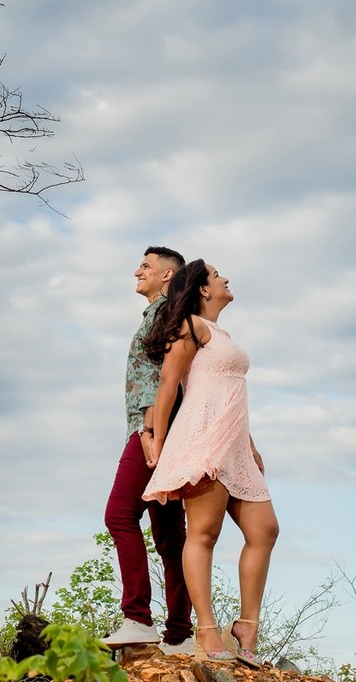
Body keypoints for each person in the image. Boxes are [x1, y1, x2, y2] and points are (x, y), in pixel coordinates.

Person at [141, 260, 278, 666]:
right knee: (205, 533)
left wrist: (250, 443)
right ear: (202, 289)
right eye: (218, 275)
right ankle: (206, 629)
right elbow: (169, 383)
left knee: (265, 530)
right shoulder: (192, 326)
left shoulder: (221, 332)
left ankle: (247, 626)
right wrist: (160, 441)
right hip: (202, 440)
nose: (226, 279)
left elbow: (228, 393)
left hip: (234, 444)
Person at [101, 246, 194, 653]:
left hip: (153, 428)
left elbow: (165, 378)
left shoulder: (162, 315)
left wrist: (148, 427)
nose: (137, 270)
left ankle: (137, 618)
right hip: (166, 428)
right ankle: (181, 634)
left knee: (120, 514)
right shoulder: (164, 316)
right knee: (169, 535)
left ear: (167, 276)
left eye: (146, 266)